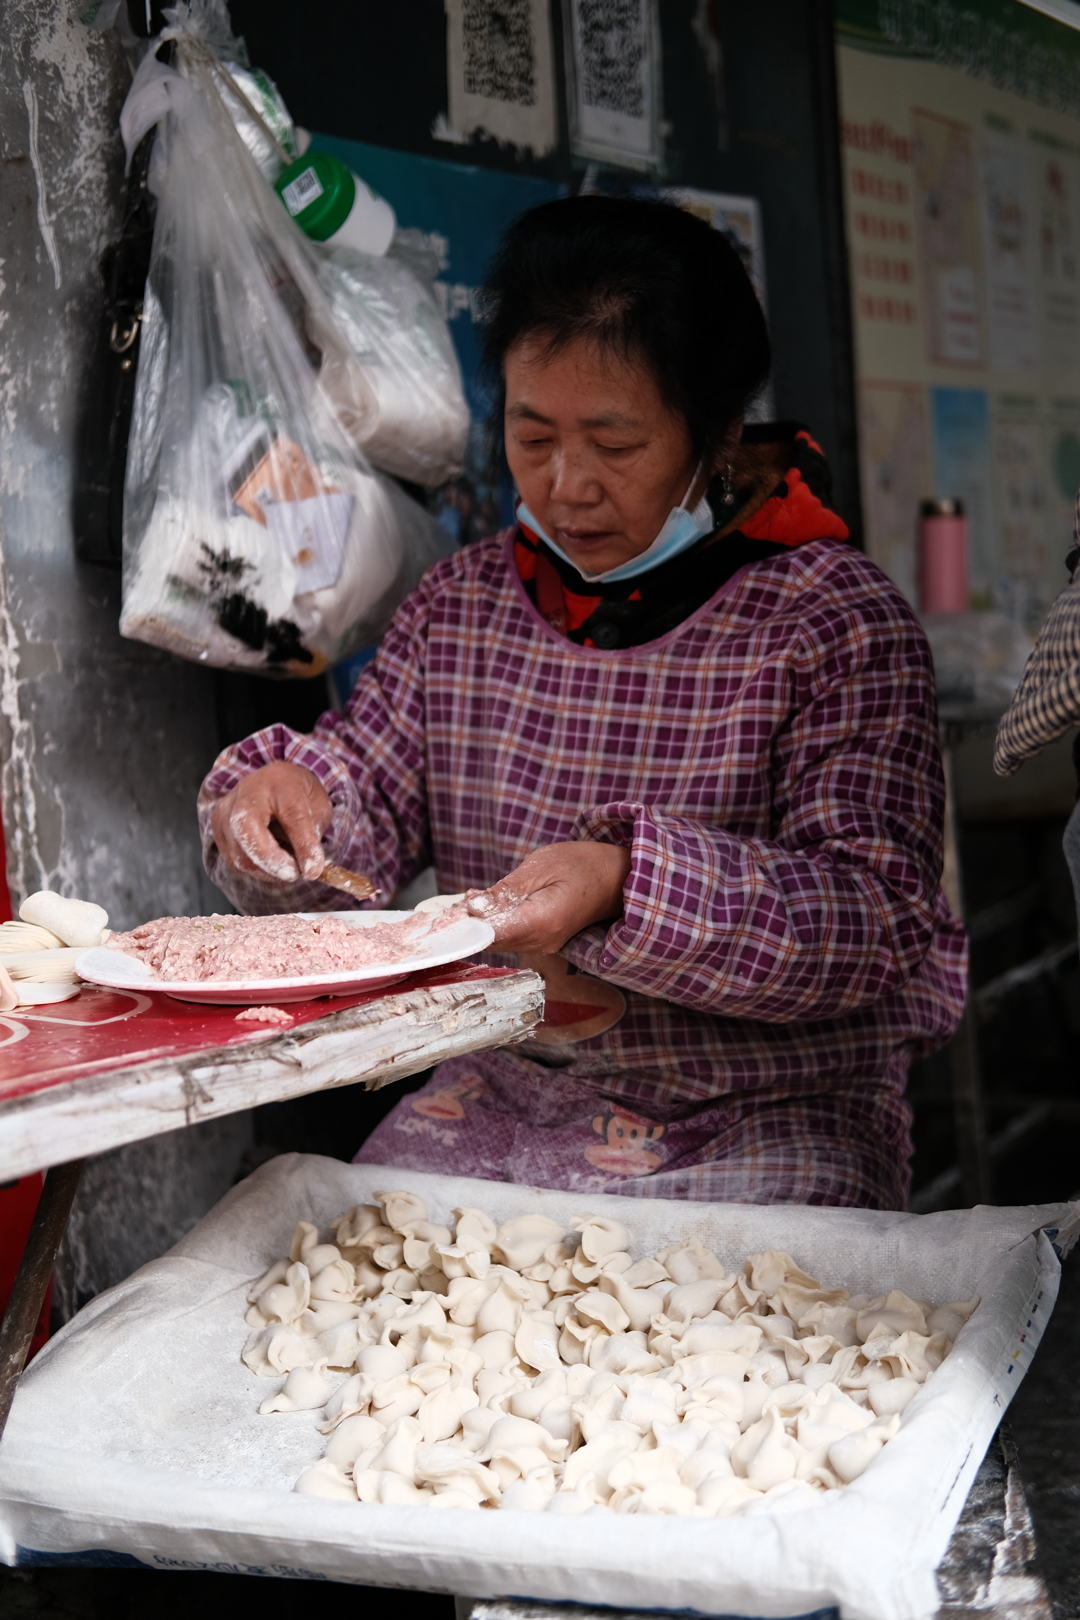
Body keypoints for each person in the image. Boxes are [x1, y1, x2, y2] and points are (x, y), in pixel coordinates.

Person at [199, 196, 966, 1210]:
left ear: (717, 432)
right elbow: (365, 794)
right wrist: (289, 798)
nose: (566, 487)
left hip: (767, 1108)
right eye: (532, 436)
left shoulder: (833, 622)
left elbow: (870, 920)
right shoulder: (461, 607)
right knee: (354, 1268)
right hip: (500, 1095)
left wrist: (623, 883)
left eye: (615, 443)